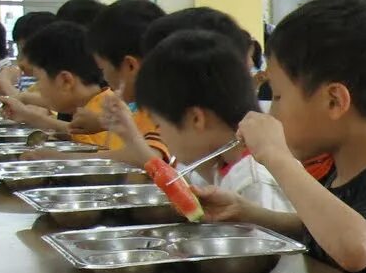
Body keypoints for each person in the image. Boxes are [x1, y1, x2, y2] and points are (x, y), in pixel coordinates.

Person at [193, 0, 366, 273]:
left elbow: (357, 248)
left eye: (277, 97)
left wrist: (277, 157)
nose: (272, 113)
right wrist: (250, 214)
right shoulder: (340, 174)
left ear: (334, 101)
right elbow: (320, 231)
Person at [101, 29, 293, 214]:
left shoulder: (255, 182)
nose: (160, 135)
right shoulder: (217, 165)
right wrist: (129, 135)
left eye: (159, 125)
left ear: (196, 119)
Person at [0, 20, 114, 149]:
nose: (39, 88)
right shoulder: (93, 102)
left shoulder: (102, 109)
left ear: (65, 81)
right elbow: (73, 132)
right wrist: (27, 114)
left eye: (39, 80)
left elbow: (96, 155)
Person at [84, 0, 171, 162]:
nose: (104, 78)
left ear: (130, 66)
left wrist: (62, 158)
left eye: (103, 69)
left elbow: (153, 160)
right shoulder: (146, 105)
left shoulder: (163, 107)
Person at [0, 10, 56, 104]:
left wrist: (5, 83)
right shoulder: (32, 82)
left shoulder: (57, 83)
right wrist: (1, 93)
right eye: (18, 51)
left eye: (25, 53)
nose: (20, 61)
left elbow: (32, 110)